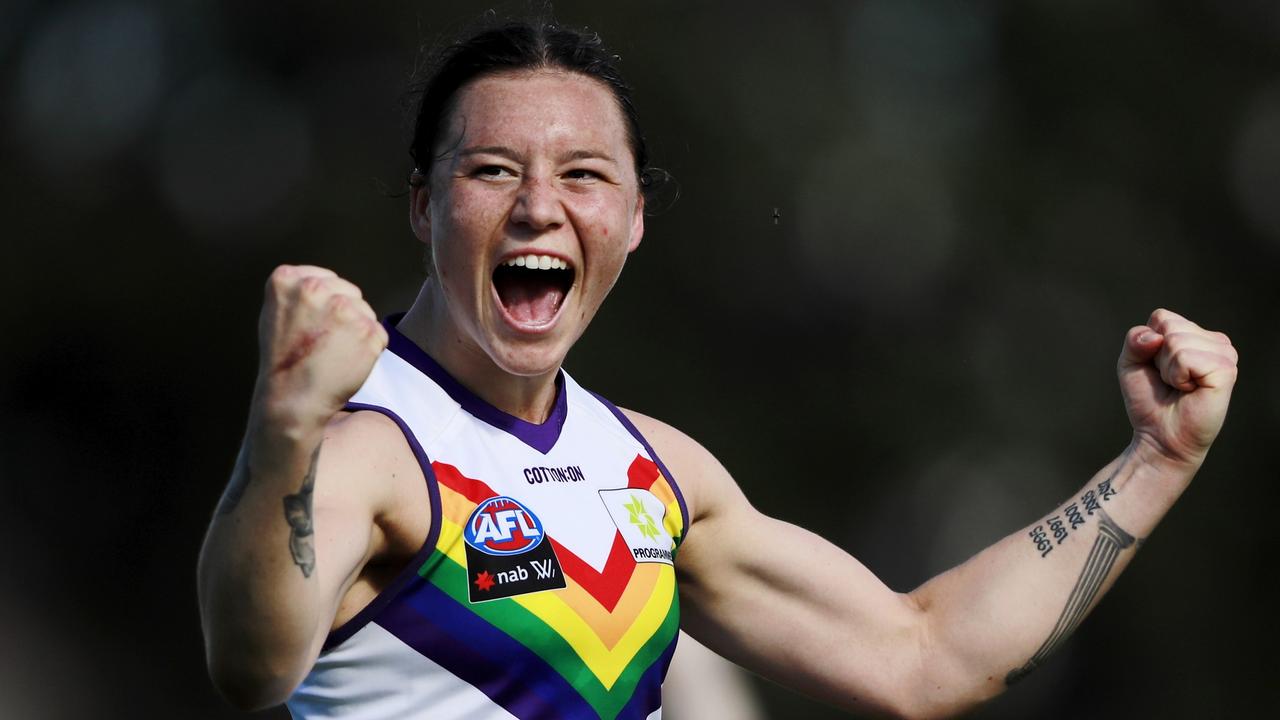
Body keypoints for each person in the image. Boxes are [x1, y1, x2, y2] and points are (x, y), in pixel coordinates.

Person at [197, 18, 1239, 720]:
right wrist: (280, 432)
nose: (536, 207)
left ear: (634, 218)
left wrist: (1153, 462)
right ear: (424, 205)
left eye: (584, 175)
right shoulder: (363, 445)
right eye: (491, 170)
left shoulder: (657, 473)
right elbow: (253, 666)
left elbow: (921, 656)